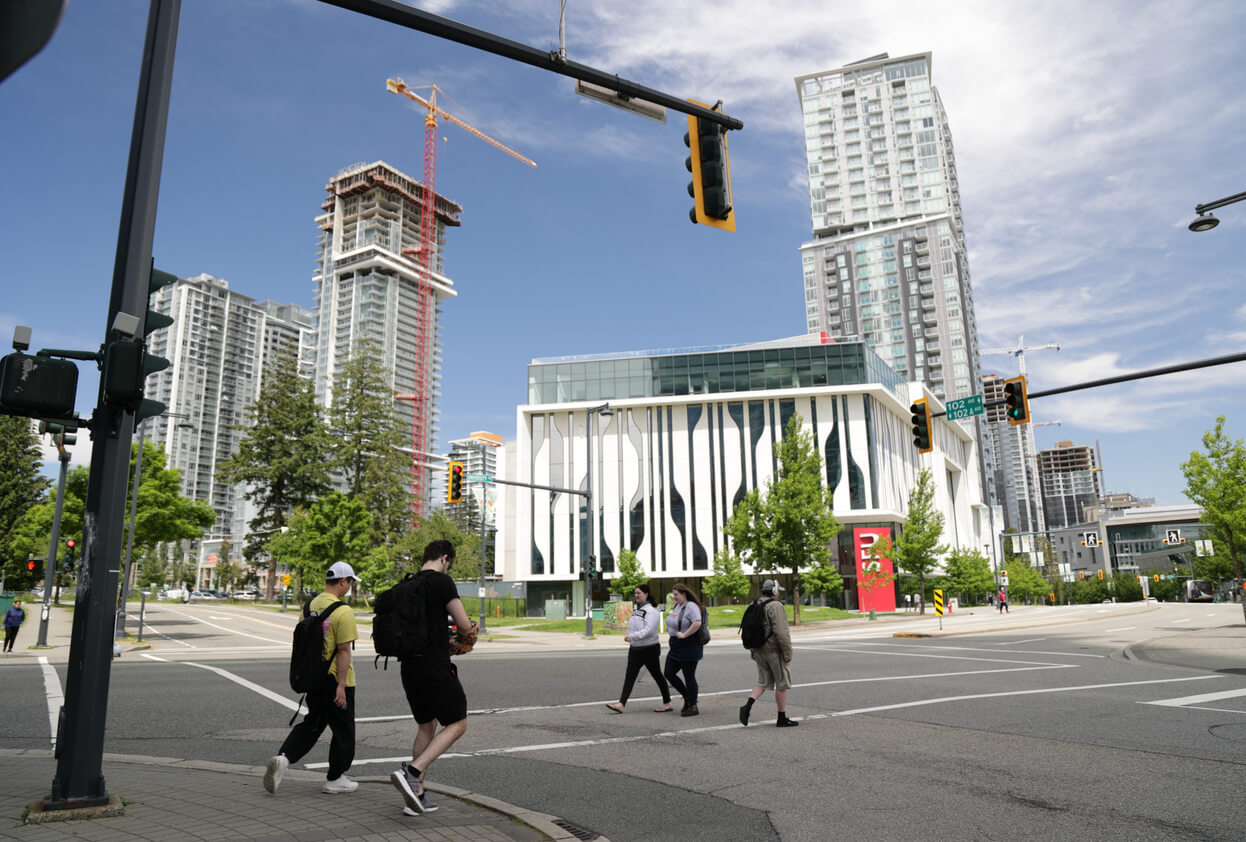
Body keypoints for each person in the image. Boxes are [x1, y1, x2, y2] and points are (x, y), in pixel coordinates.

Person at [391, 539, 476, 816]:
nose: (448, 568)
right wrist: (465, 636)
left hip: (409, 666)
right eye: (449, 564)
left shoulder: (406, 584)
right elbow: (463, 624)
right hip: (434, 665)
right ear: (444, 558)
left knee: (426, 725)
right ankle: (412, 772)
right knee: (458, 723)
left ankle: (416, 795)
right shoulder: (441, 582)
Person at [264, 562, 360, 795]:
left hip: (314, 678)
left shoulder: (308, 607)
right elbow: (344, 651)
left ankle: (284, 758)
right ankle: (335, 778)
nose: (350, 587)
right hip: (336, 679)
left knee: (313, 723)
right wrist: (340, 686)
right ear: (343, 581)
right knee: (344, 730)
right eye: (350, 582)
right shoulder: (343, 611)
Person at [739, 580, 799, 728]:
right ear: (774, 591)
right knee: (782, 683)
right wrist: (787, 653)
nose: (779, 593)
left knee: (762, 682)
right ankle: (781, 717)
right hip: (773, 651)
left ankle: (748, 705)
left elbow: (751, 629)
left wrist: (753, 650)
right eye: (778, 591)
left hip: (759, 649)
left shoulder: (755, 604)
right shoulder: (775, 606)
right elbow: (782, 633)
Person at [606, 584, 673, 714]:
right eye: (635, 593)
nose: (636, 595)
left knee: (657, 675)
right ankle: (621, 704)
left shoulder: (651, 610)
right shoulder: (637, 608)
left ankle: (667, 703)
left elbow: (649, 630)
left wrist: (632, 636)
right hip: (635, 648)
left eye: (639, 593)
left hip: (649, 648)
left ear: (646, 594)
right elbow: (634, 625)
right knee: (630, 677)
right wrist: (631, 636)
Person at [663, 583, 704, 717]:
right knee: (669, 673)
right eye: (674, 595)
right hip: (676, 646)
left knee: (689, 676)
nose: (675, 597)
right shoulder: (678, 606)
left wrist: (685, 634)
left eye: (676, 595)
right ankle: (687, 697)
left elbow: (697, 622)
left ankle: (693, 706)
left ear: (684, 594)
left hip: (688, 645)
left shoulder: (691, 606)